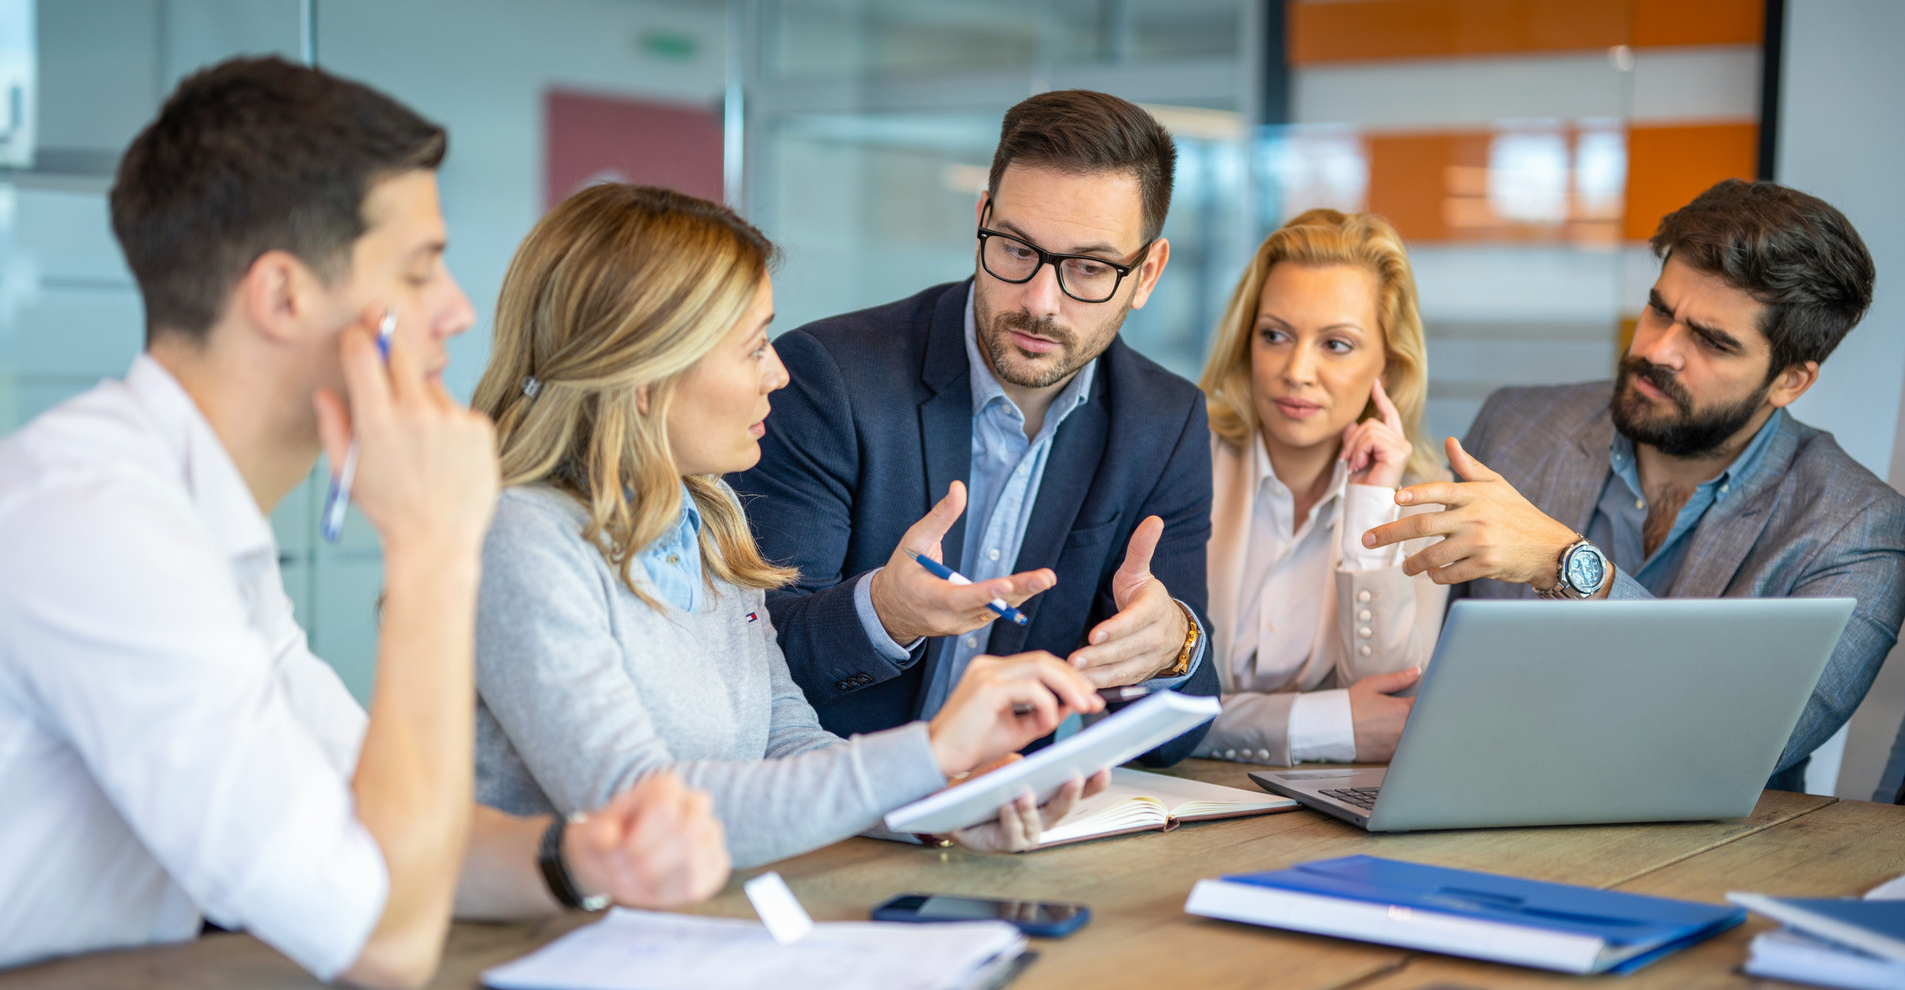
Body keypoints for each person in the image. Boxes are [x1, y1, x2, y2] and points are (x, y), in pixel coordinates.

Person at [0, 59, 728, 986]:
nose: (457, 310)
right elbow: (383, 941)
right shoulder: (100, 532)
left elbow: (386, 835)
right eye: (420, 271)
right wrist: (432, 550)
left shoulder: (196, 523)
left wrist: (578, 860)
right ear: (284, 297)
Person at [470, 183, 1110, 869]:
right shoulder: (522, 542)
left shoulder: (705, 518)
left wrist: (940, 802)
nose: (777, 373)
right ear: (646, 376)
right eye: (753, 347)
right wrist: (927, 754)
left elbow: (784, 738)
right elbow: (637, 807)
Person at [1364, 178, 1905, 791]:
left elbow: (1743, 741)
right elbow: (1415, 670)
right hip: (1462, 809)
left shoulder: (1857, 530)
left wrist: (1566, 565)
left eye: (1711, 341)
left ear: (1790, 381)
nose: (1659, 350)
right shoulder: (1518, 426)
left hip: (1697, 867)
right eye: (1660, 310)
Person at [729, 90, 1218, 762]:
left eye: (1089, 268)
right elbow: (744, 663)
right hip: (828, 808)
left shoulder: (1163, 424)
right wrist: (884, 614)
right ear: (983, 218)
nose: (1039, 303)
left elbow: (1178, 736)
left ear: (1148, 273)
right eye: (1016, 249)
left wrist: (1172, 648)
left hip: (1009, 825)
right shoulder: (831, 378)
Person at [1193, 209, 1446, 767]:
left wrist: (1371, 508)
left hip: (1328, 818)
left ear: (1390, 364)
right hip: (1162, 806)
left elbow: (1390, 710)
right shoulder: (1181, 459)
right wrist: (1319, 724)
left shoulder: (1426, 503)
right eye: (1275, 335)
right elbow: (1129, 708)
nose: (1297, 370)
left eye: (1336, 344)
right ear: (1247, 341)